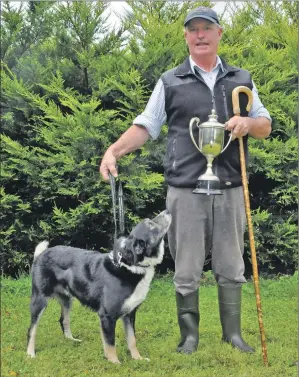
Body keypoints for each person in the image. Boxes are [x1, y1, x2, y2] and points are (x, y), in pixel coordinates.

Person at [99, 6, 271, 354]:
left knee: (232, 264)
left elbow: (265, 124)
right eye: (193, 30)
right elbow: (146, 125)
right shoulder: (170, 81)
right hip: (185, 189)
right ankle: (189, 337)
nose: (200, 35)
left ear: (220, 33)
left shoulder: (242, 79)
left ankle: (233, 335)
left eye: (207, 28)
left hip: (231, 186)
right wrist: (114, 151)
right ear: (186, 36)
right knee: (187, 268)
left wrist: (248, 125)